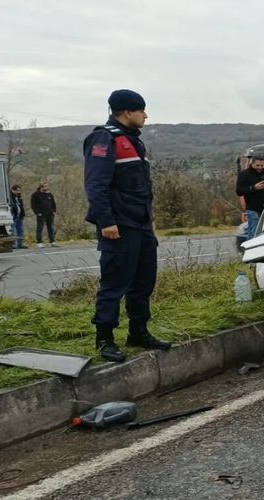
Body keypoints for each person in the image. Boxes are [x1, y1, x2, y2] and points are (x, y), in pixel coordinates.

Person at [83, 89, 171, 362]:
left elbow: (142, 188)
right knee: (115, 282)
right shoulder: (104, 138)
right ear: (126, 112)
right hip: (118, 225)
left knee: (144, 280)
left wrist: (150, 223)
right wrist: (107, 221)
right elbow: (96, 185)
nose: (145, 115)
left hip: (141, 224)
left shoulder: (134, 142)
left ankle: (138, 331)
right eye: (141, 110)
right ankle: (105, 338)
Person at [235, 154, 264, 238]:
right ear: (252, 163)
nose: (260, 167)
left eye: (262, 165)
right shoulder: (244, 174)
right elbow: (239, 191)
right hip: (252, 208)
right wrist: (253, 188)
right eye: (257, 165)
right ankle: (250, 249)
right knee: (253, 231)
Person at [31, 183, 58, 248]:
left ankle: (52, 241)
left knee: (50, 228)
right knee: (40, 228)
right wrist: (37, 213)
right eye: (46, 186)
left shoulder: (49, 194)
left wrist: (54, 211)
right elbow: (33, 205)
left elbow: (53, 203)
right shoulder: (35, 195)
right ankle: (39, 242)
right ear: (41, 187)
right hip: (41, 214)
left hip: (50, 214)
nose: (47, 187)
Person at [9, 184, 27, 249]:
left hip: (20, 215)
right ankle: (14, 244)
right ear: (13, 190)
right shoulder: (10, 196)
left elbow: (21, 206)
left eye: (19, 190)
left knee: (20, 230)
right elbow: (12, 205)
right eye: (17, 190)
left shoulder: (19, 196)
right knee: (13, 230)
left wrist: (23, 213)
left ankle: (20, 243)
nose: (18, 192)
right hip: (14, 215)